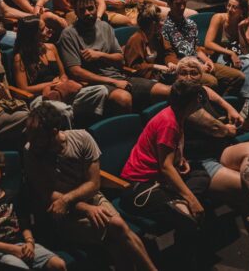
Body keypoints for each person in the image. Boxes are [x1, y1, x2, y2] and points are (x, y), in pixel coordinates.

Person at [119, 79, 249, 266]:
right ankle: (186, 261)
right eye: (199, 99)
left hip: (172, 172)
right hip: (145, 182)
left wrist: (180, 159)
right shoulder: (170, 121)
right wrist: (191, 199)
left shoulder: (177, 114)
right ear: (193, 102)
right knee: (191, 214)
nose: (202, 102)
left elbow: (168, 157)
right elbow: (165, 167)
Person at [23, 103, 158, 271]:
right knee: (118, 227)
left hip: (91, 199)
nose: (31, 140)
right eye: (29, 134)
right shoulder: (31, 152)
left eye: (37, 136)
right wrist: (85, 209)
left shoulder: (81, 138)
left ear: (54, 133)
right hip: (62, 214)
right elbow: (47, 194)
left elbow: (94, 184)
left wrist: (71, 200)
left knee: (115, 239)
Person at [56, 0, 157, 112]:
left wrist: (100, 55)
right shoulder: (68, 35)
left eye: (90, 8)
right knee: (124, 99)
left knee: (164, 91)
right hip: (95, 85)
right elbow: (75, 72)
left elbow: (120, 58)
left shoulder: (105, 26)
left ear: (96, 7)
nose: (87, 13)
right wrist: (113, 82)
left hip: (120, 77)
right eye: (82, 10)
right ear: (76, 12)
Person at [0, 149, 67, 270]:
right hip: (1, 252)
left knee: (59, 264)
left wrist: (30, 243)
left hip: (23, 244)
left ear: (2, 171)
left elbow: (24, 224)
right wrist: (14, 250)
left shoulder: (13, 196)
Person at [11, 15, 109, 117]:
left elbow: (63, 74)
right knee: (63, 110)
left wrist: (62, 82)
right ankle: (66, 120)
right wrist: (51, 84)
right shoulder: (20, 58)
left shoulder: (51, 48)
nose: (48, 30)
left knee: (101, 90)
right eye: (43, 29)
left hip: (61, 91)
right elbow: (24, 89)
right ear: (32, 35)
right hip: (40, 97)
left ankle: (73, 113)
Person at [162, 0, 244, 93]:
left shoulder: (190, 24)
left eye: (184, 3)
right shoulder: (164, 28)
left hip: (200, 63)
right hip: (184, 69)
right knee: (212, 82)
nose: (182, 7)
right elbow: (170, 57)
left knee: (239, 76)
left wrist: (207, 60)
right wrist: (198, 67)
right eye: (178, 4)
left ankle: (221, 105)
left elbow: (196, 48)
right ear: (169, 3)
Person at [204, 0, 249, 112]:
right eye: (228, 5)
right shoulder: (219, 18)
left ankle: (247, 102)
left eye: (234, 7)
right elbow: (208, 43)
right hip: (219, 55)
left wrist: (240, 29)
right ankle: (239, 103)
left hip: (239, 55)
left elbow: (246, 50)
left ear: (242, 10)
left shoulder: (246, 22)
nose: (230, 9)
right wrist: (231, 53)